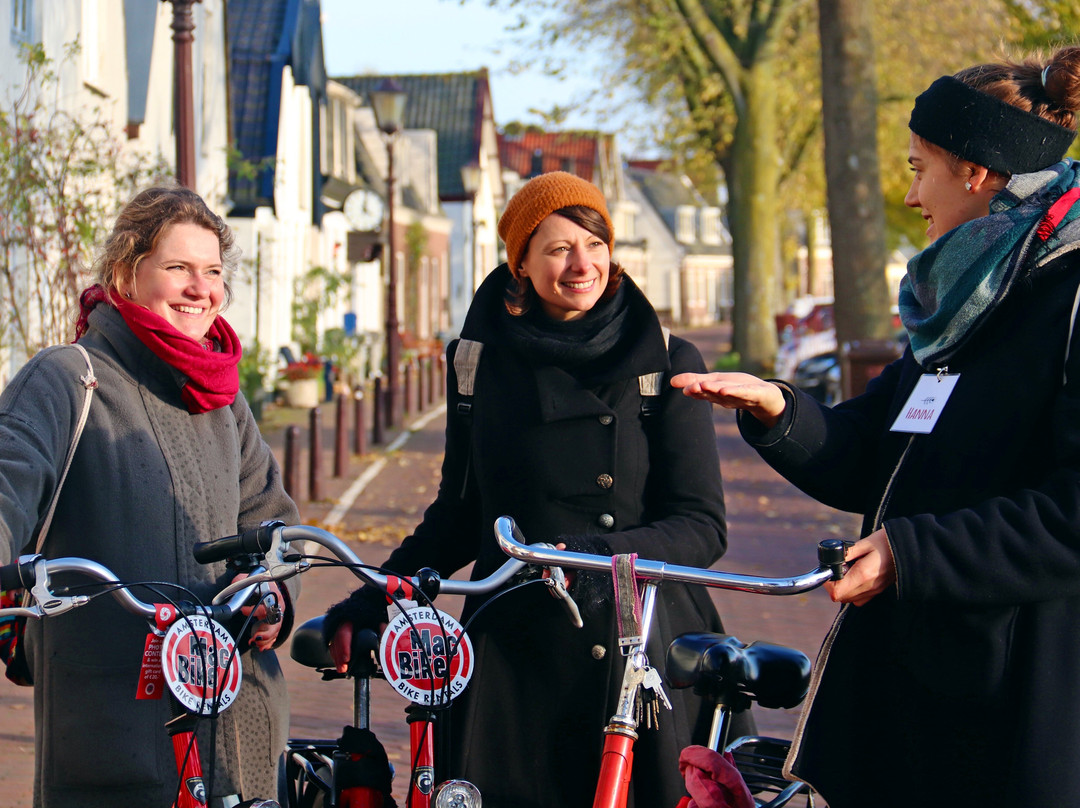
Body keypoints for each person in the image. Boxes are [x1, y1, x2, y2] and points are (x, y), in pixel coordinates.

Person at [672, 47, 1080, 807]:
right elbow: (873, 452)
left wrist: (912, 551)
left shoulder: (1069, 297)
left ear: (977, 172)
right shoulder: (971, 299)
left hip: (1014, 717)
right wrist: (777, 410)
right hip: (922, 702)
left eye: (920, 166)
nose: (911, 191)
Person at [323, 171, 742, 807]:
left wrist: (593, 559)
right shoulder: (478, 362)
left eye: (596, 244)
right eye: (558, 248)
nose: (583, 265)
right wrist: (379, 594)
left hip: (636, 644)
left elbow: (702, 526)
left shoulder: (667, 360)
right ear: (520, 261)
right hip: (515, 648)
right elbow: (462, 514)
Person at [0, 185, 300, 808]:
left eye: (213, 271)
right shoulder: (68, 378)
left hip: (238, 726)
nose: (202, 289)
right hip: (117, 728)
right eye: (178, 269)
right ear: (125, 274)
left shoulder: (225, 399)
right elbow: (7, 477)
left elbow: (273, 520)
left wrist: (275, 597)